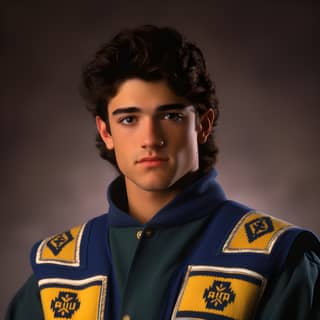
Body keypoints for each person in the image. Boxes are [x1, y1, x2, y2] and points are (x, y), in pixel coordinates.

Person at [6, 25, 320, 320]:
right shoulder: (55, 271)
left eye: (170, 115)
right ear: (106, 132)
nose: (150, 139)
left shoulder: (278, 260)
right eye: (129, 119)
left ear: (202, 125)